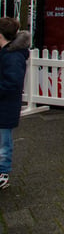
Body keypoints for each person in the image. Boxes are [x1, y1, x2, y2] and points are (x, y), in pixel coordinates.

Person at [0, 17, 30, 190]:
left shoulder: (12, 57)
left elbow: (12, 83)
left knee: (4, 141)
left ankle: (3, 173)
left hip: (6, 106)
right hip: (5, 105)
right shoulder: (8, 53)